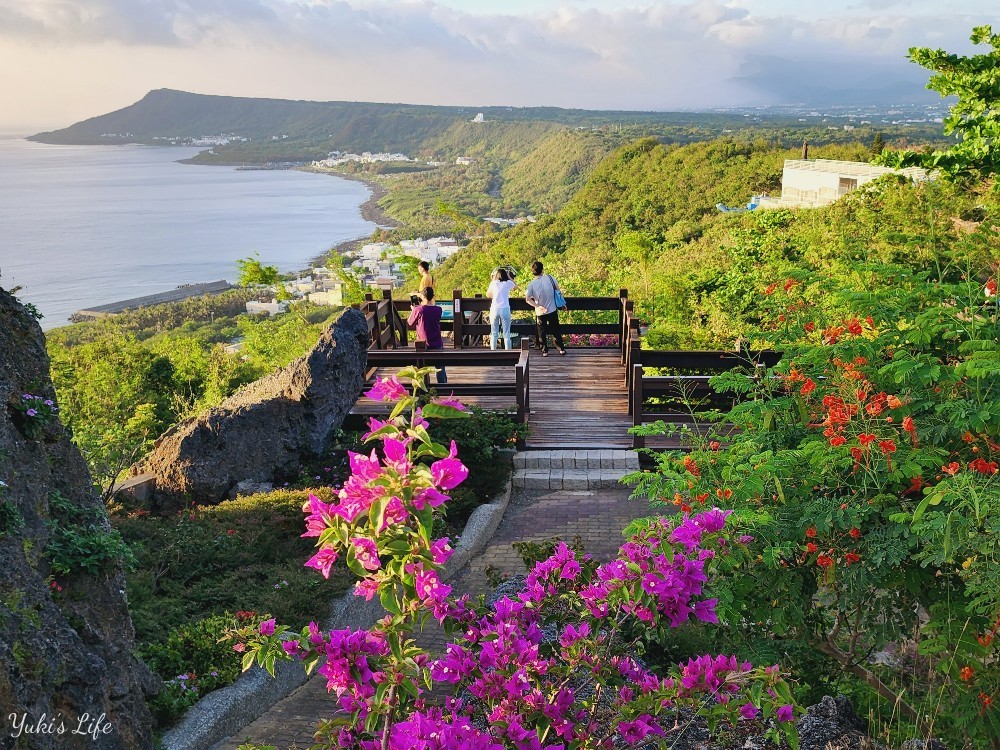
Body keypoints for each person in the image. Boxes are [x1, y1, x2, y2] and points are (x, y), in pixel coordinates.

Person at [524, 260, 566, 356]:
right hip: (552, 309)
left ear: (533, 271)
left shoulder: (531, 284)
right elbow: (558, 292)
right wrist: (563, 304)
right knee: (555, 330)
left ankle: (544, 350)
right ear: (542, 270)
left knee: (542, 332)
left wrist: (537, 306)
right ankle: (561, 349)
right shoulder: (551, 278)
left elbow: (528, 299)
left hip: (540, 312)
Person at [407, 286, 447, 383]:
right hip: (437, 342)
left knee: (421, 369)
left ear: (423, 297)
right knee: (440, 368)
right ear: (432, 296)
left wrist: (413, 310)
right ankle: (443, 387)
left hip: (423, 344)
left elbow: (410, 322)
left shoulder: (418, 310)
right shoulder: (439, 309)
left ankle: (423, 388)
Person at [486, 267, 516, 350]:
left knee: (494, 332)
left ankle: (493, 351)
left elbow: (488, 295)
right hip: (505, 308)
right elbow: (516, 287)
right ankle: (508, 351)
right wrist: (509, 276)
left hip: (494, 309)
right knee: (506, 333)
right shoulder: (508, 283)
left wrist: (493, 279)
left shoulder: (493, 283)